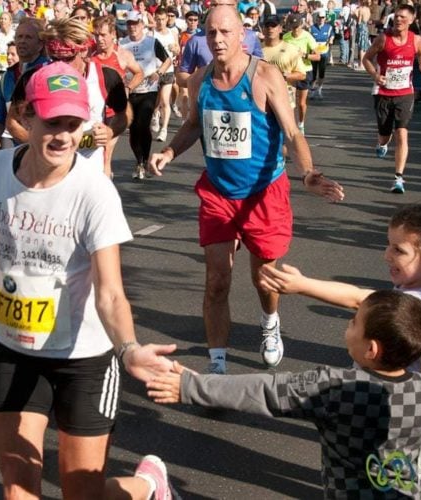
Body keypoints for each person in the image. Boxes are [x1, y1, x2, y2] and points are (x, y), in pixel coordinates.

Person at [0, 61, 177, 500]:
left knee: (80, 494)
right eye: (53, 122)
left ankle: (148, 486)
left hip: (83, 357)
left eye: (73, 124)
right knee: (18, 491)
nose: (64, 136)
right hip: (16, 345)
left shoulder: (94, 193)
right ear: (26, 116)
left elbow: (109, 293)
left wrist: (128, 349)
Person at [148, 6, 345, 375]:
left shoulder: (264, 76)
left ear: (242, 34)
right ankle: (217, 364)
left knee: (263, 277)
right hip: (219, 193)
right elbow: (193, 125)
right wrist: (171, 151)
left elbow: (292, 132)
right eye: (211, 33)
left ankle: (270, 322)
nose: (218, 40)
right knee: (216, 280)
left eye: (225, 32)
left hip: (262, 192)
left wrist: (309, 173)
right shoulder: (199, 80)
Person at [146, 290, 421, 499]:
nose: (347, 326)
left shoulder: (333, 388)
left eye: (354, 321)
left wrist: (193, 386)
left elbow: (263, 391)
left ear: (371, 349)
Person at [259, 203, 421, 375]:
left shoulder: (418, 304)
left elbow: (358, 298)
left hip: (384, 394)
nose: (387, 255)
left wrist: (303, 285)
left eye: (398, 250)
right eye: (389, 245)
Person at [7, 17, 129, 174]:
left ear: (83, 50)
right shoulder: (34, 76)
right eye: (55, 58)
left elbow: (125, 113)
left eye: (68, 58)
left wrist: (110, 132)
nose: (61, 64)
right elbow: (12, 121)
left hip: (90, 171)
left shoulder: (105, 76)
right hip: (47, 171)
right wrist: (37, 141)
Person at [362, 3, 421, 194]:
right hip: (383, 92)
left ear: (411, 20)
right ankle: (382, 142)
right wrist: (376, 75)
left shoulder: (415, 39)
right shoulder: (384, 39)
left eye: (402, 17)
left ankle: (398, 178)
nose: (398, 20)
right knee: (385, 134)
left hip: (404, 93)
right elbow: (366, 59)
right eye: (396, 16)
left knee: (402, 132)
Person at [119, 10, 172, 180]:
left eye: (135, 24)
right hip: (130, 90)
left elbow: (167, 60)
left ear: (142, 25)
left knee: (143, 123)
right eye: (129, 24)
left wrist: (159, 72)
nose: (132, 27)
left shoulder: (151, 41)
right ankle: (139, 161)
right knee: (134, 128)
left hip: (149, 89)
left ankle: (144, 159)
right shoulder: (121, 43)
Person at [0, 16, 47, 154]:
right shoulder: (6, 77)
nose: (22, 41)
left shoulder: (50, 71)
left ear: (40, 44)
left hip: (44, 148)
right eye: (19, 37)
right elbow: (0, 117)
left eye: (28, 37)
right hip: (13, 143)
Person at [93, 14, 144, 178]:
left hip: (114, 112)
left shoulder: (122, 55)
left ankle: (104, 188)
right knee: (94, 152)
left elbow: (139, 73)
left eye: (103, 35)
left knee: (106, 152)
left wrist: (128, 88)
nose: (99, 39)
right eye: (96, 35)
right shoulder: (88, 54)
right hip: (94, 111)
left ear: (113, 35)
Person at [282, 13, 319, 135]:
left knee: (301, 103)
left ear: (301, 24)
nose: (295, 29)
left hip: (304, 71)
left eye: (297, 26)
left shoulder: (307, 37)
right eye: (293, 26)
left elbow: (317, 56)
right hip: (291, 72)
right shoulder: (286, 37)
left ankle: (301, 124)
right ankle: (291, 126)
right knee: (290, 102)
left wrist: (305, 55)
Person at [151, 7, 180, 142]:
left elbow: (177, 49)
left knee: (164, 100)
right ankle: (155, 115)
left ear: (167, 19)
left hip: (168, 71)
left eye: (163, 19)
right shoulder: (151, 34)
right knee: (155, 101)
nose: (161, 22)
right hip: (154, 71)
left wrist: (175, 49)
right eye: (158, 19)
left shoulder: (173, 33)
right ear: (154, 19)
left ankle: (164, 129)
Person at [309, 10, 334, 99]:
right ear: (317, 18)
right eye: (319, 17)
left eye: (323, 17)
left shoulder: (329, 27)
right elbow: (309, 38)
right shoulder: (312, 28)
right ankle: (312, 90)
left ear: (325, 18)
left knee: (322, 73)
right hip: (314, 52)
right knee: (313, 73)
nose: (321, 19)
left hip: (324, 52)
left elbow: (332, 35)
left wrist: (331, 39)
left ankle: (319, 90)